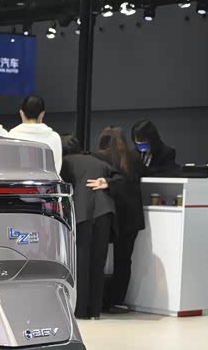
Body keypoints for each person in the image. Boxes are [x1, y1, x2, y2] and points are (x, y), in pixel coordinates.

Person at [60, 135, 120, 320]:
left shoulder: (64, 163)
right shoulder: (98, 162)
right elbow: (120, 177)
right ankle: (95, 310)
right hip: (104, 212)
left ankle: (80, 310)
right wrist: (107, 183)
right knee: (98, 262)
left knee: (81, 262)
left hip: (82, 213)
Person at [94, 127, 146, 313]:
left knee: (98, 258)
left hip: (109, 215)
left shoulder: (99, 157)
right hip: (131, 218)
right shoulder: (134, 158)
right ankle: (116, 301)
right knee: (123, 261)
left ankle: (97, 299)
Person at [9, 94, 62, 173]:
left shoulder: (10, 136)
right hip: (48, 180)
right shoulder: (54, 137)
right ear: (42, 114)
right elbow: (57, 168)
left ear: (21, 113)